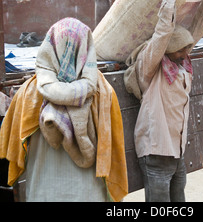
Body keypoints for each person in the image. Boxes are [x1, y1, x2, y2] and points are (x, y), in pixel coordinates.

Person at [0, 17, 128, 202]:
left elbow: (12, 147)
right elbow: (113, 148)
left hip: (43, 194)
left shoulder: (29, 93)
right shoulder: (103, 93)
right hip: (90, 195)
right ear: (86, 48)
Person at [124, 0, 203, 202]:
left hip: (176, 153)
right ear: (169, 50)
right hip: (156, 153)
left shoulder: (181, 65)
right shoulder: (150, 67)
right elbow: (163, 32)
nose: (187, 52)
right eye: (182, 49)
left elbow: (200, 26)